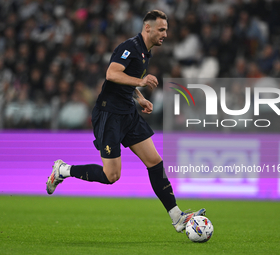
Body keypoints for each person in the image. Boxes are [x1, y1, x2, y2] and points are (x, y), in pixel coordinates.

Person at [46, 10, 206, 233]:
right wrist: (141, 82)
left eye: (167, 30)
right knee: (111, 175)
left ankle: (177, 217)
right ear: (147, 28)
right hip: (109, 114)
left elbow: (125, 84)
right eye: (162, 29)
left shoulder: (145, 52)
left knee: (154, 161)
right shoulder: (129, 47)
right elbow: (112, 74)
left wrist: (139, 99)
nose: (165, 34)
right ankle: (63, 170)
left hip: (128, 113)